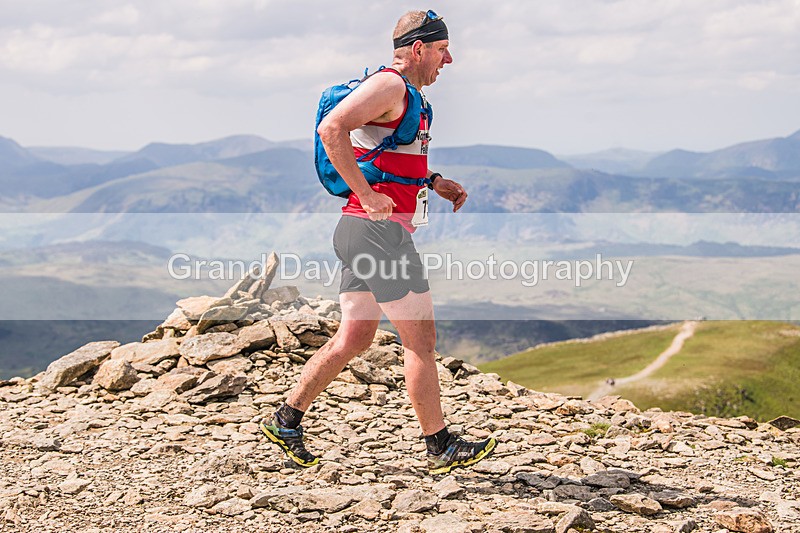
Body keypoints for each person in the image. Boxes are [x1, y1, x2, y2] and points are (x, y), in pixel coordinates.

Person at [260, 9, 497, 475]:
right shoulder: (390, 85)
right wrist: (367, 196)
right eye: (443, 50)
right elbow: (333, 128)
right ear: (418, 48)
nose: (449, 61)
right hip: (376, 233)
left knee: (355, 336)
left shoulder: (403, 94)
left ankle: (287, 419)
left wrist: (434, 180)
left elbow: (386, 154)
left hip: (359, 232)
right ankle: (440, 445)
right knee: (421, 339)